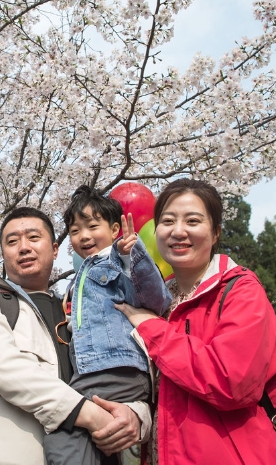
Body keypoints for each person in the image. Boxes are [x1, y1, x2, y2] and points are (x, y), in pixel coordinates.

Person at [94, 178, 276, 464]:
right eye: (167, 221)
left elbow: (231, 382)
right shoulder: (156, 301)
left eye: (193, 221)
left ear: (216, 232)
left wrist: (153, 329)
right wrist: (136, 414)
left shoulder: (241, 290)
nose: (178, 231)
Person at [0, 206, 143, 465]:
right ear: (3, 255)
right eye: (12, 242)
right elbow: (1, 366)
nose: (23, 248)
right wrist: (89, 415)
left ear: (54, 250)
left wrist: (137, 415)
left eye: (33, 237)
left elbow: (128, 364)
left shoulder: (81, 309)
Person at [44, 186, 171, 465]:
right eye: (75, 230)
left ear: (115, 230)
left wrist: (132, 256)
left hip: (114, 370)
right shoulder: (80, 275)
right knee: (89, 443)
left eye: (92, 226)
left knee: (62, 435)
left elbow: (157, 298)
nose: (84, 236)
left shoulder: (118, 262)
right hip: (92, 372)